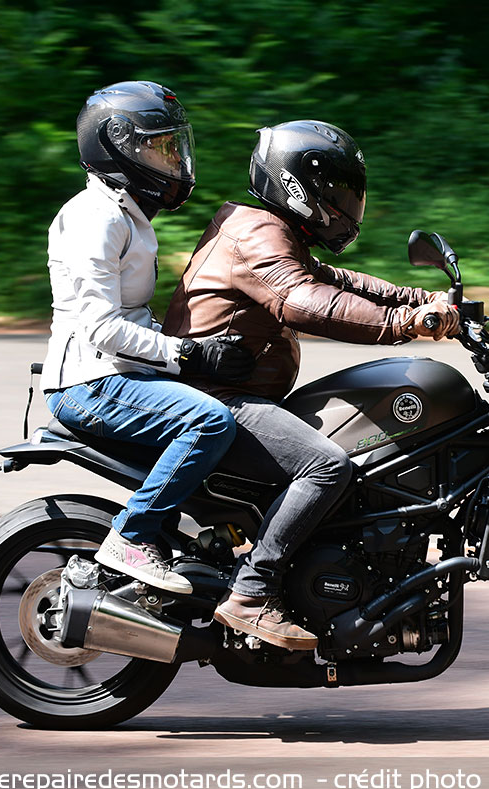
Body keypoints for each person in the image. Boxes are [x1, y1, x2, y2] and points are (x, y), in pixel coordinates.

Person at [162, 119, 459, 649]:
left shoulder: (270, 229)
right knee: (327, 465)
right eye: (337, 193)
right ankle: (252, 593)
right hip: (220, 402)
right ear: (298, 184)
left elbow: (334, 280)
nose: (345, 206)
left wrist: (418, 299)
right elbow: (305, 301)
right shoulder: (256, 233)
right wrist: (404, 324)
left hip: (240, 397)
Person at [40, 81, 255, 594]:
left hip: (116, 373)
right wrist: (187, 353)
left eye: (172, 146)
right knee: (208, 421)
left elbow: (132, 319)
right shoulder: (96, 218)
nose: (172, 159)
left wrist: (200, 351)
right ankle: (131, 537)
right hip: (90, 384)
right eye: (158, 147)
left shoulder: (124, 214)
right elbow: (101, 327)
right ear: (116, 148)